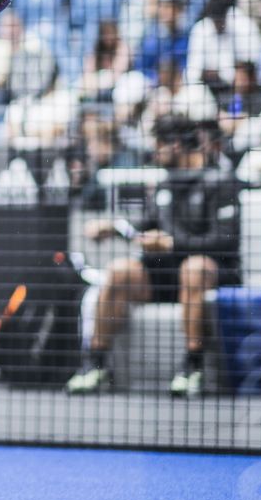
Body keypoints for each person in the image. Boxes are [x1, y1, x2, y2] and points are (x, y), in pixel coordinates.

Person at [67, 113, 240, 398]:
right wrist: (115, 227)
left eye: (158, 146)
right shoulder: (165, 183)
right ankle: (95, 365)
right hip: (166, 274)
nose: (154, 153)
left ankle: (193, 368)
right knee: (120, 271)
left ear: (176, 145)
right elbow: (146, 225)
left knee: (194, 268)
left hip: (210, 274)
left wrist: (171, 244)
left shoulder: (220, 180)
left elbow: (225, 242)